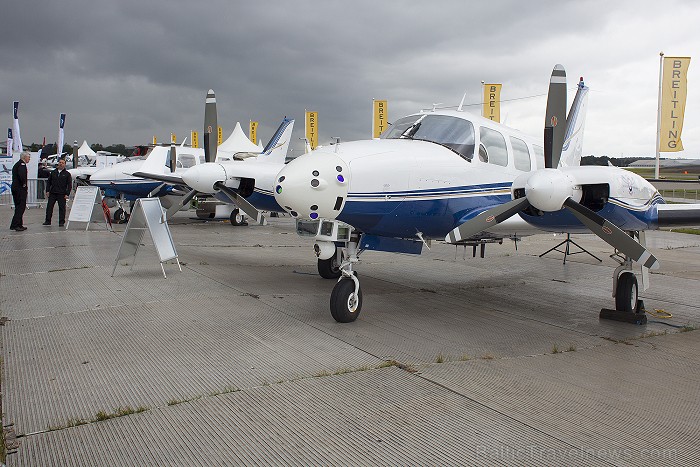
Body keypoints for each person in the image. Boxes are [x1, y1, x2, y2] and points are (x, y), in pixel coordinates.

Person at [43, 158, 72, 226]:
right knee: (49, 207)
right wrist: (47, 191)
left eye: (62, 163)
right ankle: (47, 221)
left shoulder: (67, 174)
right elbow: (49, 182)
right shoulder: (53, 172)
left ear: (65, 165)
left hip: (62, 193)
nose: (61, 164)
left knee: (62, 208)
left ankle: (61, 222)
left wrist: (67, 194)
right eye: (60, 162)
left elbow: (69, 185)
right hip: (53, 192)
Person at [10, 151, 30, 231]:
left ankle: (18, 224)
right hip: (19, 189)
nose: (29, 159)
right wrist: (24, 184)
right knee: (20, 207)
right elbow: (21, 175)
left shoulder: (18, 164)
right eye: (28, 157)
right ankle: (15, 225)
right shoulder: (22, 165)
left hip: (16, 188)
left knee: (19, 207)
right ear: (24, 157)